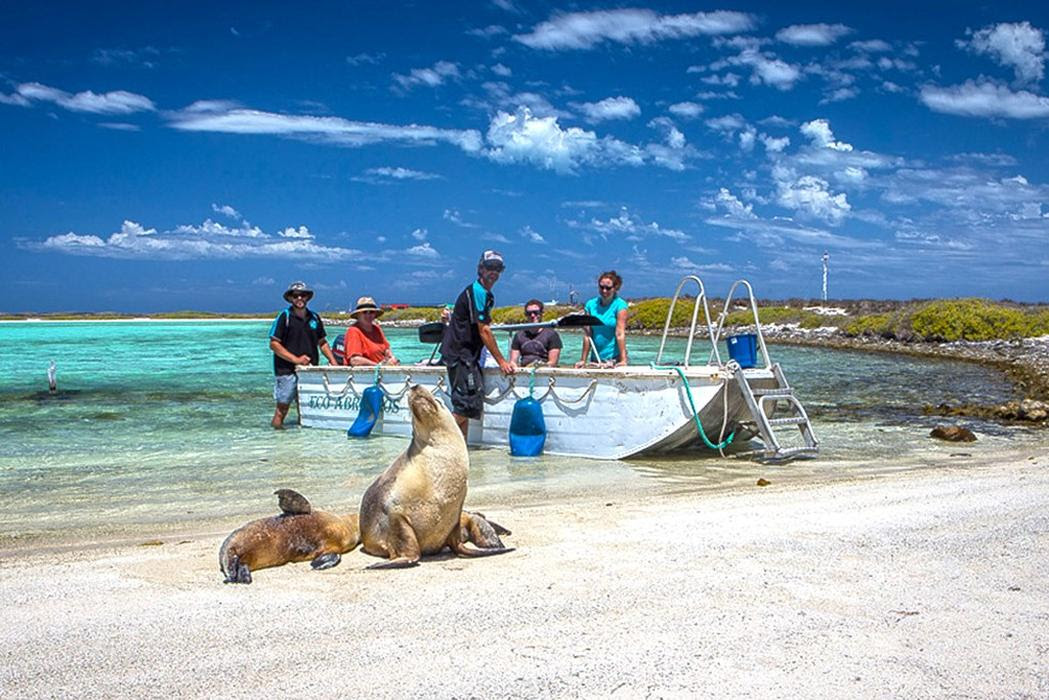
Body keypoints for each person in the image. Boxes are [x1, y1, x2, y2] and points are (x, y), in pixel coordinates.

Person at [440, 250, 517, 439]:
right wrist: (502, 361)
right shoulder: (478, 292)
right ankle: (433, 440)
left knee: (464, 407)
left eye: (498, 268)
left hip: (467, 355)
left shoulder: (486, 295)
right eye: (490, 267)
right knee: (466, 406)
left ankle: (460, 450)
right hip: (461, 355)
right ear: (480, 269)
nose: (494, 272)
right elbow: (485, 330)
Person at [269, 281, 338, 429]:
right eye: (295, 295)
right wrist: (296, 360)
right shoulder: (284, 317)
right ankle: (275, 442)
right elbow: (274, 344)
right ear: (290, 298)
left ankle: (302, 445)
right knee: (282, 409)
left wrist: (334, 362)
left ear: (308, 297)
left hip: (310, 371)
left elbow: (322, 342)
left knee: (307, 409)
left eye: (303, 295)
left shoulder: (314, 318)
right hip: (287, 371)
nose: (299, 298)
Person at [576, 270, 629, 368]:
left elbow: (620, 334)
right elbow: (588, 334)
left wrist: (623, 360)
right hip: (595, 357)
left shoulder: (620, 306)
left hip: (614, 358)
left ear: (615, 288)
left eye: (608, 288)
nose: (604, 291)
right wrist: (582, 360)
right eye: (601, 287)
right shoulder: (590, 305)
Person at [342, 296, 399, 366]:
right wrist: (378, 366)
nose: (368, 315)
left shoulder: (377, 329)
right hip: (365, 374)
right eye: (365, 312)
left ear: (375, 314)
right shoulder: (354, 331)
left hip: (380, 371)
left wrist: (391, 358)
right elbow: (355, 360)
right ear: (358, 315)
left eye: (371, 312)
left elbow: (386, 349)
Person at [509, 299, 562, 367]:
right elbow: (513, 361)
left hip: (544, 371)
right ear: (525, 315)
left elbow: (553, 362)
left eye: (536, 312)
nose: (532, 315)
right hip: (524, 371)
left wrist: (537, 366)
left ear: (542, 313)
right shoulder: (519, 335)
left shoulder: (552, 335)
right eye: (529, 313)